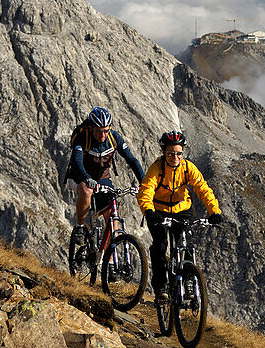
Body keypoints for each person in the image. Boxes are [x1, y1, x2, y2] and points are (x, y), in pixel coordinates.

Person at [137, 130, 222, 300]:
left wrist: (215, 211)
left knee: (186, 244)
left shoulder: (187, 168)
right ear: (164, 152)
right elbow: (145, 191)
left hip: (182, 209)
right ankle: (161, 286)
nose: (175, 157)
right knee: (160, 246)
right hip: (158, 211)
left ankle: (189, 280)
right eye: (171, 153)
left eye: (179, 153)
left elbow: (203, 189)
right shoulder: (156, 168)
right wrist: (149, 211)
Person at [67, 107, 146, 232]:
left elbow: (132, 160)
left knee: (112, 216)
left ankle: (110, 247)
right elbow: (76, 162)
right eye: (98, 131)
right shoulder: (83, 137)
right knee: (87, 191)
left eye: (106, 131)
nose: (102, 135)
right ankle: (79, 227)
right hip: (79, 175)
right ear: (91, 128)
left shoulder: (114, 138)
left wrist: (144, 182)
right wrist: (86, 178)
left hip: (102, 177)